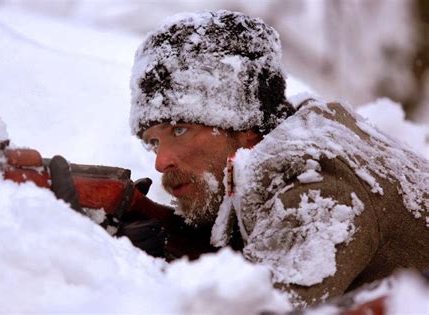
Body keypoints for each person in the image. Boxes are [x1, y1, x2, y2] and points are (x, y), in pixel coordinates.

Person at [127, 10, 429, 306]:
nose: (161, 161)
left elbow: (262, 308)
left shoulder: (314, 183)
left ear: (245, 123)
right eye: (153, 142)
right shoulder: (275, 162)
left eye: (180, 129)